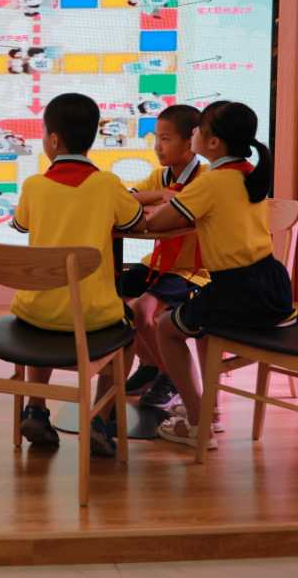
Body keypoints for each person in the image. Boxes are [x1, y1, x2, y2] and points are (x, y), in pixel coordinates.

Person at [147, 101, 298, 449]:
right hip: (273, 287)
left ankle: (197, 422)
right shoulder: (249, 172)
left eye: (198, 129)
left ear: (213, 142)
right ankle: (208, 411)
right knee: (194, 319)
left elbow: (158, 223)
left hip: (236, 292)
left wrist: (156, 204)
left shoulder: (212, 182)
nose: (193, 133)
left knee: (166, 328)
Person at [10, 93, 144, 456]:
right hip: (93, 316)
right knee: (129, 330)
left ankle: (36, 408)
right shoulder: (107, 183)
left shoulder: (34, 185)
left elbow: (20, 224)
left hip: (34, 313)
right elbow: (133, 219)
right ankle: (100, 417)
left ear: (53, 140)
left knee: (43, 314)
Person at [119, 105, 209, 409]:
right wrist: (158, 196)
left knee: (142, 310)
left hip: (194, 268)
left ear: (190, 141)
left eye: (166, 139)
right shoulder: (160, 176)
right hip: (158, 262)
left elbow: (177, 217)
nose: (158, 146)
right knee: (114, 299)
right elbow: (124, 202)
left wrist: (156, 209)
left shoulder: (206, 177)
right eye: (156, 138)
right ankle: (151, 365)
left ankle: (171, 376)